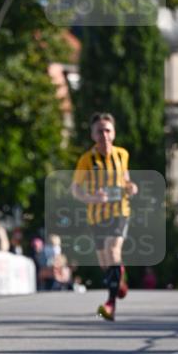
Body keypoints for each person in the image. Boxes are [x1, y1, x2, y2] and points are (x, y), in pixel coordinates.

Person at [71, 112, 138, 321]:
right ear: (93, 135)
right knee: (105, 262)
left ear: (114, 133)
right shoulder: (86, 160)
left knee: (113, 248)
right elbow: (75, 189)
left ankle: (110, 304)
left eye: (108, 130)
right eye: (99, 131)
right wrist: (92, 198)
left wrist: (130, 187)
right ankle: (120, 282)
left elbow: (126, 179)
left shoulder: (122, 155)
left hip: (120, 212)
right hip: (96, 216)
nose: (104, 135)